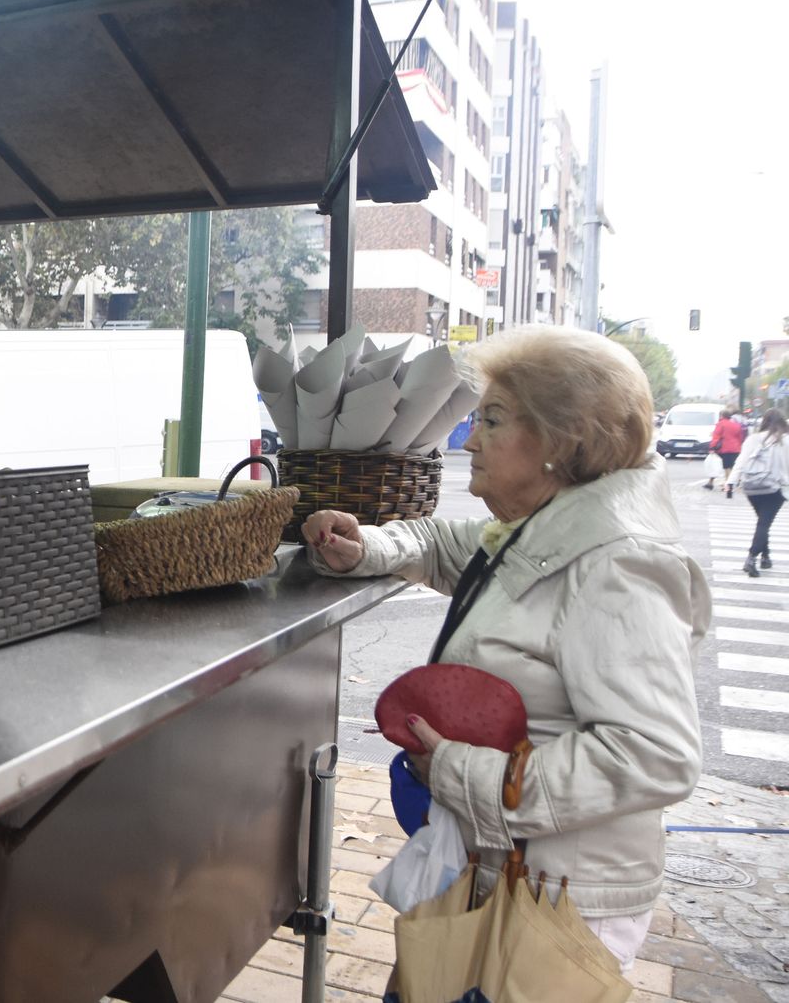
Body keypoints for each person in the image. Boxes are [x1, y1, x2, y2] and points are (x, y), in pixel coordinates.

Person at [302, 325, 708, 974]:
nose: (469, 440)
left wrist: (466, 775)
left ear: (560, 440)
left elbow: (653, 755)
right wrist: (365, 547)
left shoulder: (615, 564)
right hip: (502, 871)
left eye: (491, 420)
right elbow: (441, 544)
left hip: (557, 905)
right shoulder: (540, 528)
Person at [728, 407, 788, 577]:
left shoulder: (754, 438)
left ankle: (766, 557)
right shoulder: (786, 440)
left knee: (763, 521)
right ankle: (752, 557)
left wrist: (731, 481)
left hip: (752, 487)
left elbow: (741, 461)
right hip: (776, 488)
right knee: (764, 523)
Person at [707, 408, 745, 495]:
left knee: (727, 467)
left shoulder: (720, 424)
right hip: (736, 448)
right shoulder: (736, 425)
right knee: (732, 466)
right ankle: (734, 482)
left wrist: (712, 447)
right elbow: (740, 438)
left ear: (722, 416)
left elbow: (716, 436)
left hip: (725, 448)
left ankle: (728, 486)